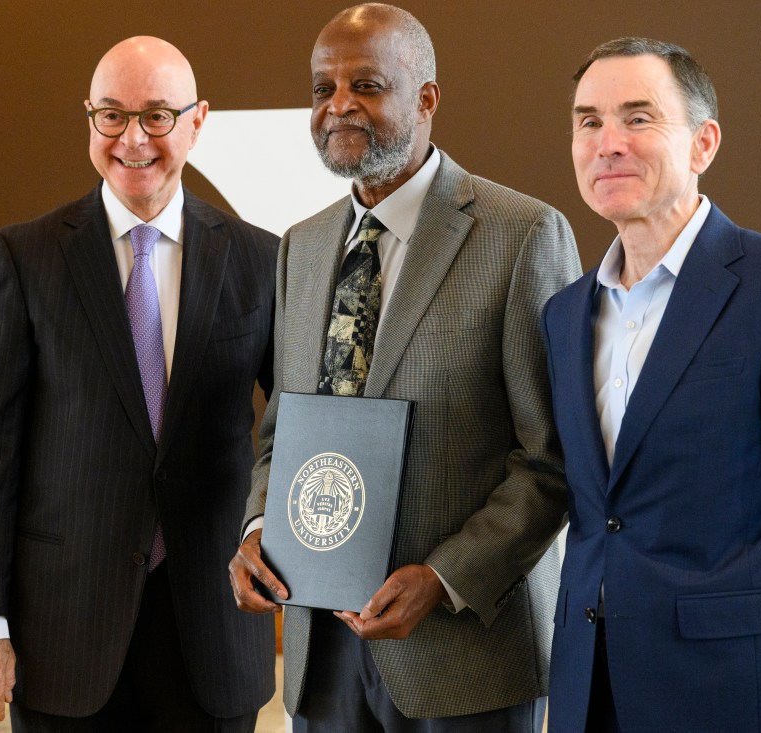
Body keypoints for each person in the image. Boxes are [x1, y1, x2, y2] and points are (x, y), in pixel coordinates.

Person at [228, 4, 581, 731]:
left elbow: (552, 457)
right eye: (322, 88)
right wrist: (259, 524)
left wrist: (445, 578)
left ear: (427, 98)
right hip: (321, 650)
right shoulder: (302, 245)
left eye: (366, 84)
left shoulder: (522, 236)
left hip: (463, 654)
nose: (338, 106)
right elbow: (283, 430)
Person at [542, 36, 761, 732]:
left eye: (638, 118)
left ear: (703, 144)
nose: (607, 142)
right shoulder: (564, 313)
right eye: (588, 121)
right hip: (592, 689)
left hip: (744, 694)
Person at [0, 36, 278, 731]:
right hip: (62, 635)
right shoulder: (22, 259)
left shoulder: (260, 259)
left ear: (198, 120)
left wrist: (269, 529)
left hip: (213, 634)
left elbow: (295, 424)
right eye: (111, 115)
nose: (133, 139)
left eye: (157, 115)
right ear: (89, 119)